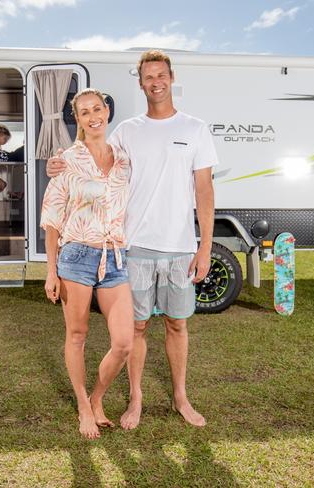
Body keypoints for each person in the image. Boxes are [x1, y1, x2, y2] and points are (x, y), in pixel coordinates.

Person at [47, 50, 218, 429]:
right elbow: (92, 160)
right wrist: (54, 166)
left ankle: (180, 398)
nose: (155, 82)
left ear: (171, 77)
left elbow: (204, 189)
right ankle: (135, 400)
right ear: (140, 83)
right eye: (148, 77)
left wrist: (204, 245)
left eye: (161, 75)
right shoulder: (126, 132)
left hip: (179, 247)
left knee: (177, 325)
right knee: (135, 329)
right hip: (132, 248)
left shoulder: (195, 129)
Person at [40, 88, 134, 439]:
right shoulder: (67, 160)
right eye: (84, 112)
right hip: (76, 255)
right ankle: (83, 406)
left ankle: (97, 399)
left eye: (97, 109)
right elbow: (52, 219)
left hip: (115, 257)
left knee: (124, 342)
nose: (93, 116)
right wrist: (51, 271)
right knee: (77, 335)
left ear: (107, 111)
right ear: (77, 119)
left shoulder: (125, 158)